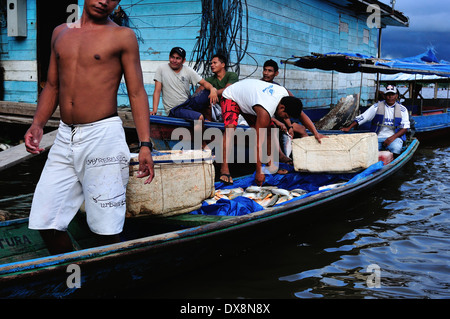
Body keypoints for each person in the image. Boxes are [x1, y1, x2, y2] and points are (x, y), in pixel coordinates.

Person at [24, 0, 154, 254]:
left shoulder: (122, 36)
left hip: (103, 135)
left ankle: (108, 280)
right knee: (45, 220)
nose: (104, 1)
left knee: (107, 230)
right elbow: (52, 85)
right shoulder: (60, 32)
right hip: (64, 136)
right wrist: (37, 124)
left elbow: (137, 92)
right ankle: (75, 273)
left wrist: (145, 145)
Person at [220, 79, 319, 186]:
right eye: (285, 116)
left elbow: (302, 115)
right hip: (232, 96)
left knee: (271, 129)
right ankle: (224, 169)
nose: (286, 119)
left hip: (250, 100)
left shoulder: (287, 95)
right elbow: (258, 143)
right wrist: (259, 172)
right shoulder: (265, 111)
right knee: (230, 128)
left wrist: (316, 133)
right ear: (282, 108)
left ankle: (270, 166)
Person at [151, 47, 218, 120]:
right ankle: (198, 127)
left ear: (183, 61)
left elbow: (204, 82)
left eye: (178, 58)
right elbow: (157, 91)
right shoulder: (162, 69)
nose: (174, 60)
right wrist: (154, 111)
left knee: (208, 92)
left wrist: (212, 89)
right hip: (175, 109)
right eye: (172, 57)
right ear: (169, 57)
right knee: (199, 117)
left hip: (188, 104)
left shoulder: (187, 70)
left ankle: (205, 116)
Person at [341, 85, 410, 155]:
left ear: (396, 96)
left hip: (394, 138)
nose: (390, 97)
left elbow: (405, 128)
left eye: (392, 94)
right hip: (377, 137)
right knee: (367, 151)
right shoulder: (376, 106)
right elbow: (363, 117)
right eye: (388, 94)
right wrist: (349, 127)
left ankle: (393, 161)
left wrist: (391, 139)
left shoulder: (402, 109)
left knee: (396, 148)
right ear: (385, 96)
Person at [195, 54, 239, 121]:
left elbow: (227, 90)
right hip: (215, 110)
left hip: (230, 108)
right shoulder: (210, 80)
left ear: (223, 65)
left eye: (215, 63)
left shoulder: (232, 75)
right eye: (211, 63)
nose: (212, 65)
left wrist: (213, 93)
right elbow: (197, 93)